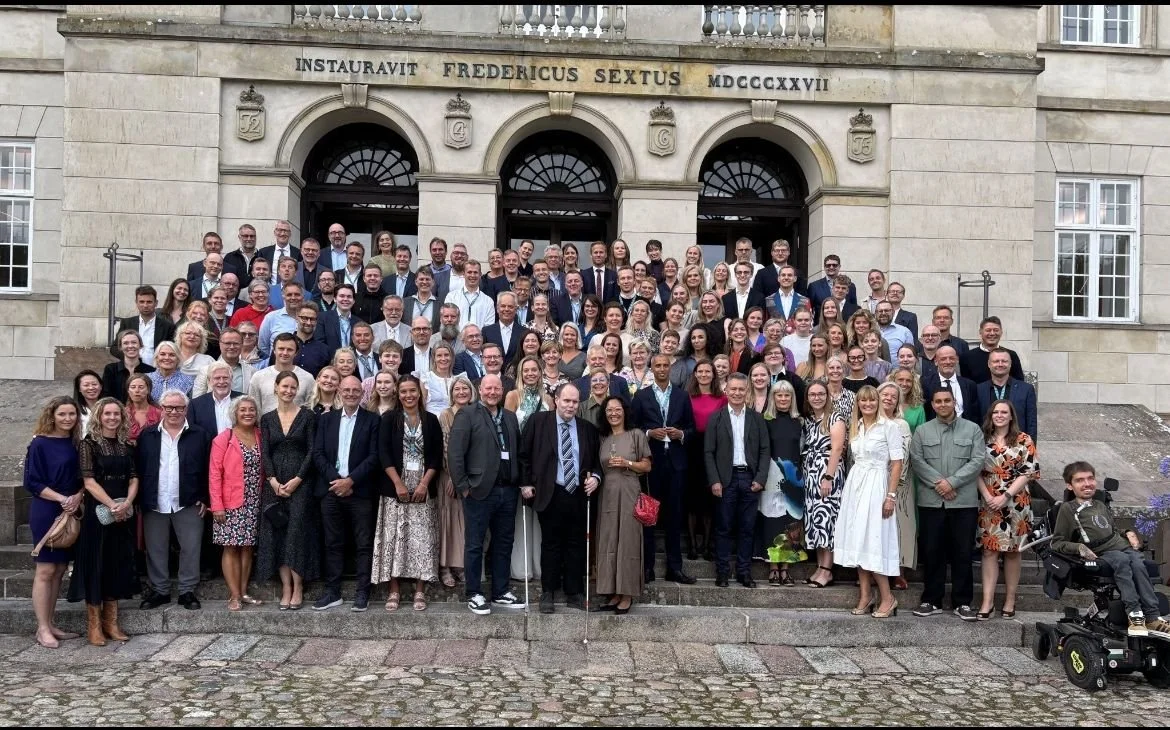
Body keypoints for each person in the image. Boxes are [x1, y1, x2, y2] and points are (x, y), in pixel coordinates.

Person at [1052, 462, 1170, 637]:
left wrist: (1128, 532)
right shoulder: (1068, 509)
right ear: (1070, 485)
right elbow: (1057, 543)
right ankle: (1134, 614)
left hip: (1121, 546)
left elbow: (1111, 530)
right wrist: (1079, 547)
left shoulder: (1100, 504)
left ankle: (1152, 616)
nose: (1087, 483)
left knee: (1138, 562)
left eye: (1090, 478)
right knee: (1122, 560)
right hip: (1102, 553)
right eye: (1080, 480)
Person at [520, 384, 601, 613]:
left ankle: (574, 591)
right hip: (551, 491)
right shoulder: (538, 421)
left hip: (577, 493)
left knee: (576, 543)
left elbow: (596, 461)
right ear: (556, 400)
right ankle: (548, 592)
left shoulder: (587, 428)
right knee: (551, 544)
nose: (571, 406)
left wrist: (595, 477)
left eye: (575, 402)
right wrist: (525, 483)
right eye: (566, 401)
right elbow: (524, 454)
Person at [910, 387, 987, 621]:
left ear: (954, 402)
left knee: (962, 552)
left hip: (962, 501)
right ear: (932, 405)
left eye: (947, 400)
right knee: (933, 551)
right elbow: (917, 459)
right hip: (932, 502)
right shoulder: (923, 431)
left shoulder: (972, 430)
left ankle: (962, 602)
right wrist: (939, 484)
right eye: (938, 401)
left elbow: (978, 460)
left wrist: (952, 483)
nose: (943, 404)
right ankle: (931, 600)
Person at [449, 374, 524, 614]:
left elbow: (517, 452)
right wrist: (464, 488)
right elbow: (455, 454)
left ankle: (501, 591)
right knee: (475, 544)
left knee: (504, 542)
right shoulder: (467, 414)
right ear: (479, 390)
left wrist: (519, 481)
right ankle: (474, 593)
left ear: (502, 390)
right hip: (479, 491)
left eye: (496, 388)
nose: (492, 392)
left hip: (507, 490)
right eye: (488, 388)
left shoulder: (510, 417)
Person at [68, 397, 137, 645]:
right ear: (99, 416)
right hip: (99, 513)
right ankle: (94, 625)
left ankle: (112, 623)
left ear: (122, 417)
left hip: (123, 514)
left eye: (116, 414)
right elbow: (88, 482)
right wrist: (112, 505)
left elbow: (133, 477)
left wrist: (127, 503)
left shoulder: (126, 445)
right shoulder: (89, 445)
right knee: (96, 564)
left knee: (116, 565)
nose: (112, 418)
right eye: (107, 414)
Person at [136, 390, 212, 611]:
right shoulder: (147, 435)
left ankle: (187, 591)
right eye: (169, 407)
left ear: (186, 410)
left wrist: (205, 497)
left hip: (189, 500)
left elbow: (209, 468)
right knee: (156, 548)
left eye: (179, 407)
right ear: (161, 409)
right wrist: (141, 498)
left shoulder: (200, 435)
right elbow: (139, 468)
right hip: (154, 500)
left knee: (191, 547)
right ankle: (160, 590)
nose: (173, 412)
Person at [832, 386, 904, 617]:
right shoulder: (857, 426)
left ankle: (887, 597)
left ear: (878, 402)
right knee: (857, 540)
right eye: (863, 401)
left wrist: (890, 497)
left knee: (873, 540)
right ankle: (865, 595)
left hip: (877, 485)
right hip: (856, 485)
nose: (868, 404)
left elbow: (897, 463)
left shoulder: (890, 427)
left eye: (872, 400)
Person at [312, 375, 381, 612]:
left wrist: (351, 480)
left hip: (360, 490)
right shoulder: (326, 420)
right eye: (347, 390)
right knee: (332, 542)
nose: (351, 394)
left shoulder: (372, 421)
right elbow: (318, 454)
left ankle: (363, 592)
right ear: (339, 392)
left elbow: (374, 457)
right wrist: (337, 480)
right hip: (331, 490)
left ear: (363, 394)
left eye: (356, 391)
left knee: (363, 544)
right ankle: (332, 592)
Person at [373, 376, 442, 612]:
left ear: (419, 393)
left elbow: (435, 456)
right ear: (397, 394)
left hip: (424, 484)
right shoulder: (388, 419)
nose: (408, 396)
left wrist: (424, 484)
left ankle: (420, 590)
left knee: (422, 539)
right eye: (403, 391)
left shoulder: (431, 420)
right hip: (395, 484)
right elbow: (383, 453)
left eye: (412, 391)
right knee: (395, 537)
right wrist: (398, 484)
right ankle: (394, 589)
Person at [632, 353, 697, 584]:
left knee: (674, 516)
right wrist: (650, 434)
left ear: (670, 368)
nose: (661, 369)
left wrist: (681, 434)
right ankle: (647, 568)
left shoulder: (681, 396)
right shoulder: (641, 396)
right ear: (651, 368)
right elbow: (633, 428)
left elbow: (691, 429)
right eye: (657, 365)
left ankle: (675, 569)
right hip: (651, 464)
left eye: (664, 365)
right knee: (648, 516)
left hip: (676, 464)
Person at [257, 371, 319, 611]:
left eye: (293, 387)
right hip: (274, 485)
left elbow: (312, 450)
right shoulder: (267, 418)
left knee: (296, 533)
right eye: (285, 386)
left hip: (301, 483)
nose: (289, 391)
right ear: (276, 387)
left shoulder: (307, 416)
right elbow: (265, 452)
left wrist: (298, 479)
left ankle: (298, 585)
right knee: (278, 535)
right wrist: (272, 480)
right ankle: (285, 588)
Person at [25, 397, 83, 649]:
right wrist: (62, 498)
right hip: (48, 509)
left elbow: (83, 476)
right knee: (46, 570)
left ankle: (50, 622)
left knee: (59, 570)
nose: (68, 418)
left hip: (72, 508)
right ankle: (42, 628)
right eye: (62, 414)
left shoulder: (75, 443)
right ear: (52, 415)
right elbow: (33, 482)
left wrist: (78, 496)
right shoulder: (39, 444)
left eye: (72, 414)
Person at [705, 373, 771, 588]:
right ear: (726, 391)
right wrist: (714, 480)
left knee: (747, 528)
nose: (736, 393)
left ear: (747, 391)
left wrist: (760, 478)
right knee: (723, 527)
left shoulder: (756, 418)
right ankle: (722, 572)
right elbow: (708, 452)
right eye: (732, 389)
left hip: (749, 479)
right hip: (726, 479)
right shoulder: (716, 418)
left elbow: (764, 450)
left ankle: (744, 572)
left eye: (741, 389)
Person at [976, 399, 1039, 620]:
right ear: (990, 415)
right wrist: (987, 496)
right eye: (996, 412)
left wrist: (1006, 495)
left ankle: (1010, 599)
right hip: (988, 499)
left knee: (1013, 552)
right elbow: (974, 469)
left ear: (1011, 416)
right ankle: (987, 601)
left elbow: (1028, 471)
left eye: (1004, 412)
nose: (1000, 415)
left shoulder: (1024, 439)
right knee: (989, 551)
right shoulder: (981, 438)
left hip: (1016, 500)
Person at [591, 394, 651, 615]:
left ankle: (627, 594)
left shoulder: (636, 435)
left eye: (617, 409)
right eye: (609, 410)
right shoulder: (603, 438)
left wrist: (627, 462)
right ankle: (612, 592)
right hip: (607, 492)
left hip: (629, 490)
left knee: (627, 540)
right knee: (608, 540)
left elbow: (647, 466)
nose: (613, 413)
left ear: (625, 411)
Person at [209, 395, 264, 611]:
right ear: (235, 413)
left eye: (251, 410)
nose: (248, 413)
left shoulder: (260, 435)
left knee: (247, 548)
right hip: (230, 502)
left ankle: (243, 592)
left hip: (254, 500)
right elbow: (214, 474)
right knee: (231, 547)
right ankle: (233, 595)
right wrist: (217, 505)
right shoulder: (224, 438)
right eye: (243, 410)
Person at [758, 380, 803, 587]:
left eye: (787, 395)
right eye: (779, 395)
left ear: (792, 398)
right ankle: (773, 567)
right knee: (772, 520)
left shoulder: (799, 421)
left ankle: (786, 568)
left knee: (790, 523)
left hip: (794, 478)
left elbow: (803, 450)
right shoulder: (765, 420)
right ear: (773, 398)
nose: (783, 399)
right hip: (771, 476)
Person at [802, 380, 847, 588]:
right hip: (811, 476)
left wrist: (828, 477)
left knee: (827, 520)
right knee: (816, 521)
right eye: (813, 394)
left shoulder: (835, 418)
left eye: (821, 394)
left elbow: (837, 449)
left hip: (828, 475)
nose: (817, 397)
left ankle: (827, 570)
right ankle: (820, 566)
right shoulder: (811, 420)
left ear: (827, 396)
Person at [437, 377, 475, 587]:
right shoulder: (445, 415)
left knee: (465, 523)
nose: (461, 392)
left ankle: (460, 565)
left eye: (465, 388)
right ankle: (445, 566)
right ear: (451, 393)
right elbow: (446, 447)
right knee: (448, 522)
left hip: (471, 478)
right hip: (450, 477)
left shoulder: (477, 412)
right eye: (457, 389)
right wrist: (454, 476)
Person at [686, 361, 725, 560]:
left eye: (707, 371)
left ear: (713, 374)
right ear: (694, 374)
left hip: (714, 449)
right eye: (699, 371)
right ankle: (693, 545)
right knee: (692, 499)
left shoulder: (722, 397)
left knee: (710, 499)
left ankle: (708, 544)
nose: (703, 374)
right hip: (692, 448)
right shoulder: (687, 396)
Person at [976, 348, 1038, 441]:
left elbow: (1031, 423)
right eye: (996, 361)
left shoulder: (1026, 389)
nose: (1000, 364)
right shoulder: (978, 389)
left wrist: (1031, 449)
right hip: (985, 446)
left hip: (1017, 447)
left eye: (1004, 361)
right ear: (989, 364)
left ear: (1010, 364)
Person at [248, 333, 315, 413]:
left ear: (296, 353)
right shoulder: (258, 377)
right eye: (281, 349)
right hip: (265, 425)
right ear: (274, 351)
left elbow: (310, 409)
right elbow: (253, 408)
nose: (285, 353)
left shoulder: (307, 378)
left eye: (290, 350)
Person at [923, 345, 979, 425]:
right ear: (936, 361)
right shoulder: (925, 384)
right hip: (936, 432)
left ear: (957, 360)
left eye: (951, 358)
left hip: (963, 432)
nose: (948, 362)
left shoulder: (969, 385)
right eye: (943, 359)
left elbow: (974, 414)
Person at [421, 342, 458, 416]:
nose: (443, 358)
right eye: (439, 355)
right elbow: (422, 406)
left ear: (452, 357)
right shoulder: (426, 378)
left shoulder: (457, 380)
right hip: (433, 423)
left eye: (446, 355)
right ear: (434, 358)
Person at [890, 367, 926, 434]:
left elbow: (921, 435)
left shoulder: (917, 408)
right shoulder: (885, 403)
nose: (904, 384)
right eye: (900, 379)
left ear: (913, 384)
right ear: (893, 381)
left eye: (908, 381)